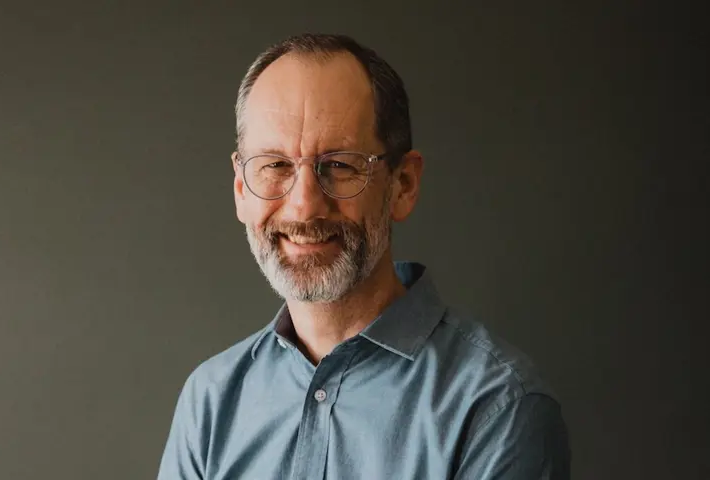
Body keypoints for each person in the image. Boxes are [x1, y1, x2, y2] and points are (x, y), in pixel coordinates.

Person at [157, 33, 571, 479]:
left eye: (339, 165)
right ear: (241, 189)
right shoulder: (211, 401)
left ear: (403, 185)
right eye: (275, 165)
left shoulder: (497, 408)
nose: (304, 206)